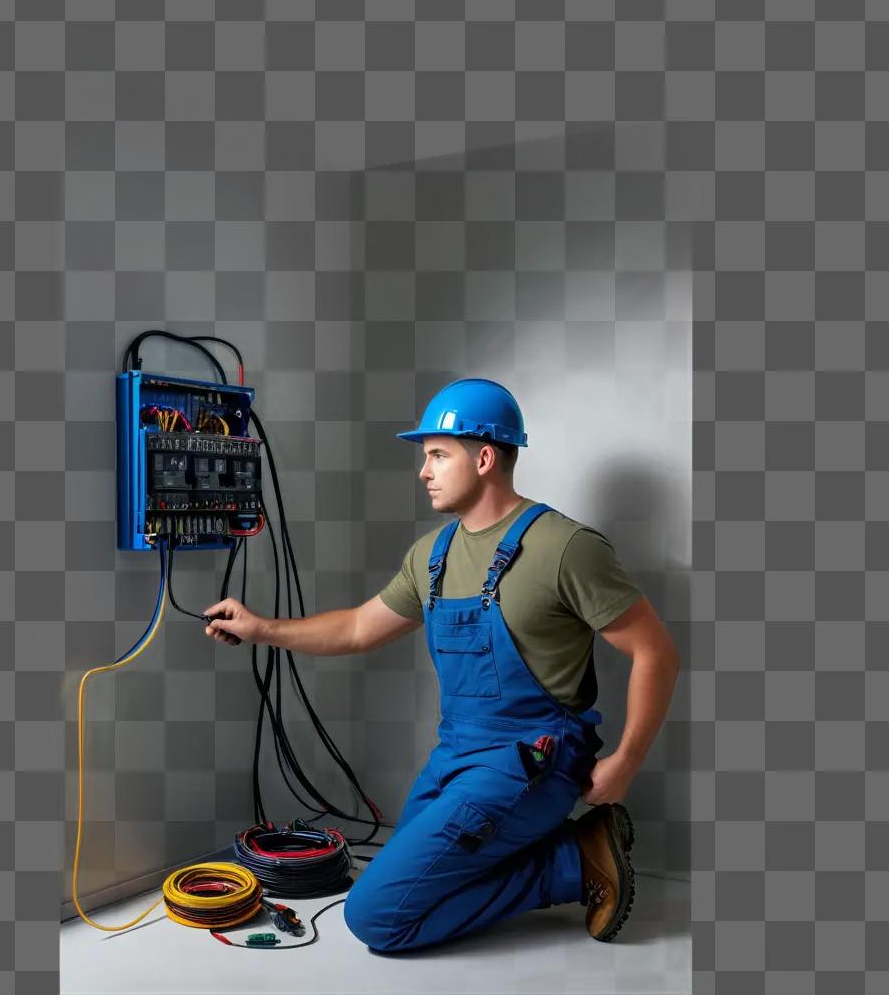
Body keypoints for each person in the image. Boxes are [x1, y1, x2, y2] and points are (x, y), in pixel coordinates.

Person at [203, 378, 680, 952]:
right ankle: (569, 852)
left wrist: (626, 760)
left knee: (377, 917)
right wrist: (261, 629)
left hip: (532, 761)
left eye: (436, 455)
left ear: (483, 457)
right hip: (456, 754)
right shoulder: (433, 554)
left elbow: (656, 651)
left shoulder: (565, 547)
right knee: (416, 884)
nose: (422, 471)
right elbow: (358, 628)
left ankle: (572, 866)